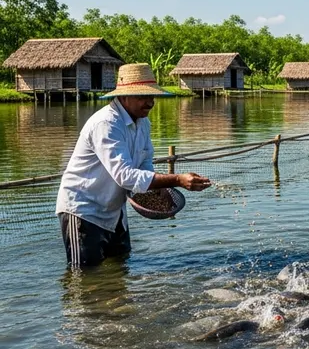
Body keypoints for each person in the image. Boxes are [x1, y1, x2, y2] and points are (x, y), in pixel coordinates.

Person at [56, 63, 211, 267]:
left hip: (114, 209)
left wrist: (159, 187)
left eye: (152, 96)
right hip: (84, 210)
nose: (150, 103)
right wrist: (177, 180)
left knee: (120, 265)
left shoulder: (142, 122)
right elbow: (125, 176)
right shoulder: (107, 124)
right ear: (124, 96)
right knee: (84, 275)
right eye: (142, 96)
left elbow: (145, 160)